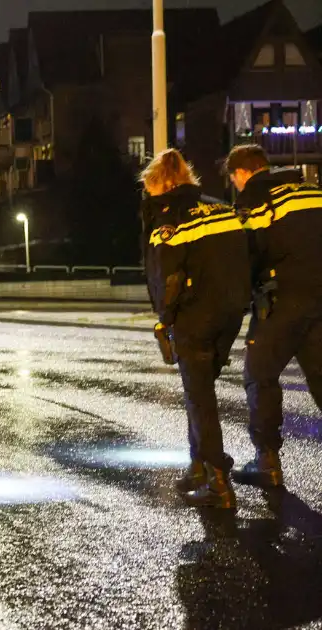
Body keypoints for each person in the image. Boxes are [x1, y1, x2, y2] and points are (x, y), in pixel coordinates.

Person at [141, 149, 250, 508]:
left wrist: (165, 318)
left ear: (163, 183)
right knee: (200, 390)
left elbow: (167, 277)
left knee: (199, 397)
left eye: (150, 190)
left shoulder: (169, 219)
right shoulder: (220, 207)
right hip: (231, 313)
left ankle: (218, 480)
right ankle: (199, 465)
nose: (150, 197)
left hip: (195, 315)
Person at [226, 144, 322, 489]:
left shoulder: (256, 201)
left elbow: (246, 258)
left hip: (284, 302)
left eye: (234, 180)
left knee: (259, 375)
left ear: (242, 173)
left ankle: (267, 461)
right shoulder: (311, 191)